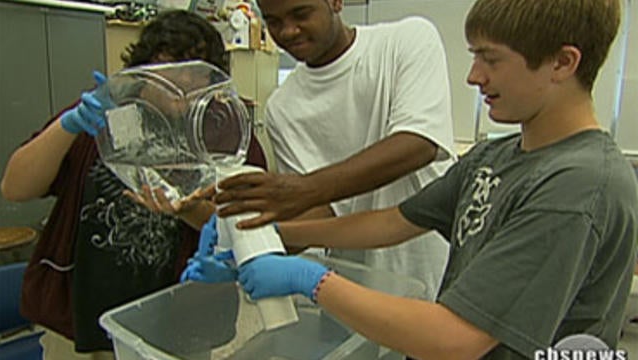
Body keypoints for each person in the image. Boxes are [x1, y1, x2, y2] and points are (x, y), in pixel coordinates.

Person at [197, 0, 638, 358]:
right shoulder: (496, 156)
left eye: (491, 59)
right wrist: (268, 235)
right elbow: (393, 221)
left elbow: (456, 339)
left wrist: (310, 279)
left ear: (562, 63)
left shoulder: (576, 186)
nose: (473, 76)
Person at [0, 10, 266, 360]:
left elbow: (250, 226)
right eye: (168, 65)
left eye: (195, 68)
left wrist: (189, 209)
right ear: (142, 71)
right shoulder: (102, 118)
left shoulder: (227, 133)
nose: (182, 80)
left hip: (181, 324)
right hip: (78, 317)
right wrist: (69, 124)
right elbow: (15, 188)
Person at [209, 0, 457, 301]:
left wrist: (304, 189)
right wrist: (248, 238)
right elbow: (322, 209)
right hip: (352, 286)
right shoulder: (282, 107)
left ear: (336, 2)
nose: (288, 31)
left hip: (431, 272)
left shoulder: (407, 41)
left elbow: (418, 144)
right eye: (273, 21)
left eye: (301, 14)